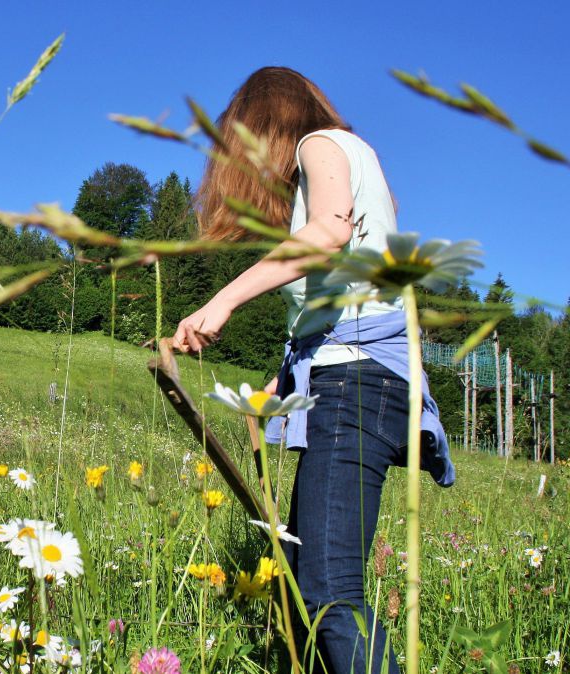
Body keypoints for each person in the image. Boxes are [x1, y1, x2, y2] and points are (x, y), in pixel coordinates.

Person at [168, 66, 453, 674]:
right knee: (303, 587)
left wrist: (222, 299)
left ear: (265, 126)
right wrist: (279, 386)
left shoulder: (322, 143)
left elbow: (328, 235)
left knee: (328, 591)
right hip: (351, 381)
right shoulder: (343, 164)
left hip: (358, 385)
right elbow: (337, 303)